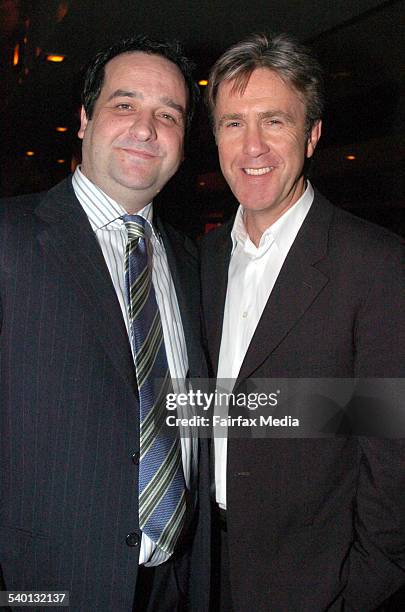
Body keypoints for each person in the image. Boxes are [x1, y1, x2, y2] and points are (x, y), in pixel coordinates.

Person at [0, 35, 210, 611]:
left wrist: (357, 411)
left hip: (174, 582)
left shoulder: (196, 266)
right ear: (86, 118)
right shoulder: (10, 239)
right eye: (125, 105)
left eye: (167, 115)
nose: (146, 129)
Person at [200, 33, 405, 611]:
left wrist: (356, 589)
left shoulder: (376, 264)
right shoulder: (205, 260)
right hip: (205, 572)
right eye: (232, 122)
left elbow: (393, 459)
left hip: (316, 583)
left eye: (275, 121)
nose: (253, 145)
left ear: (312, 134)